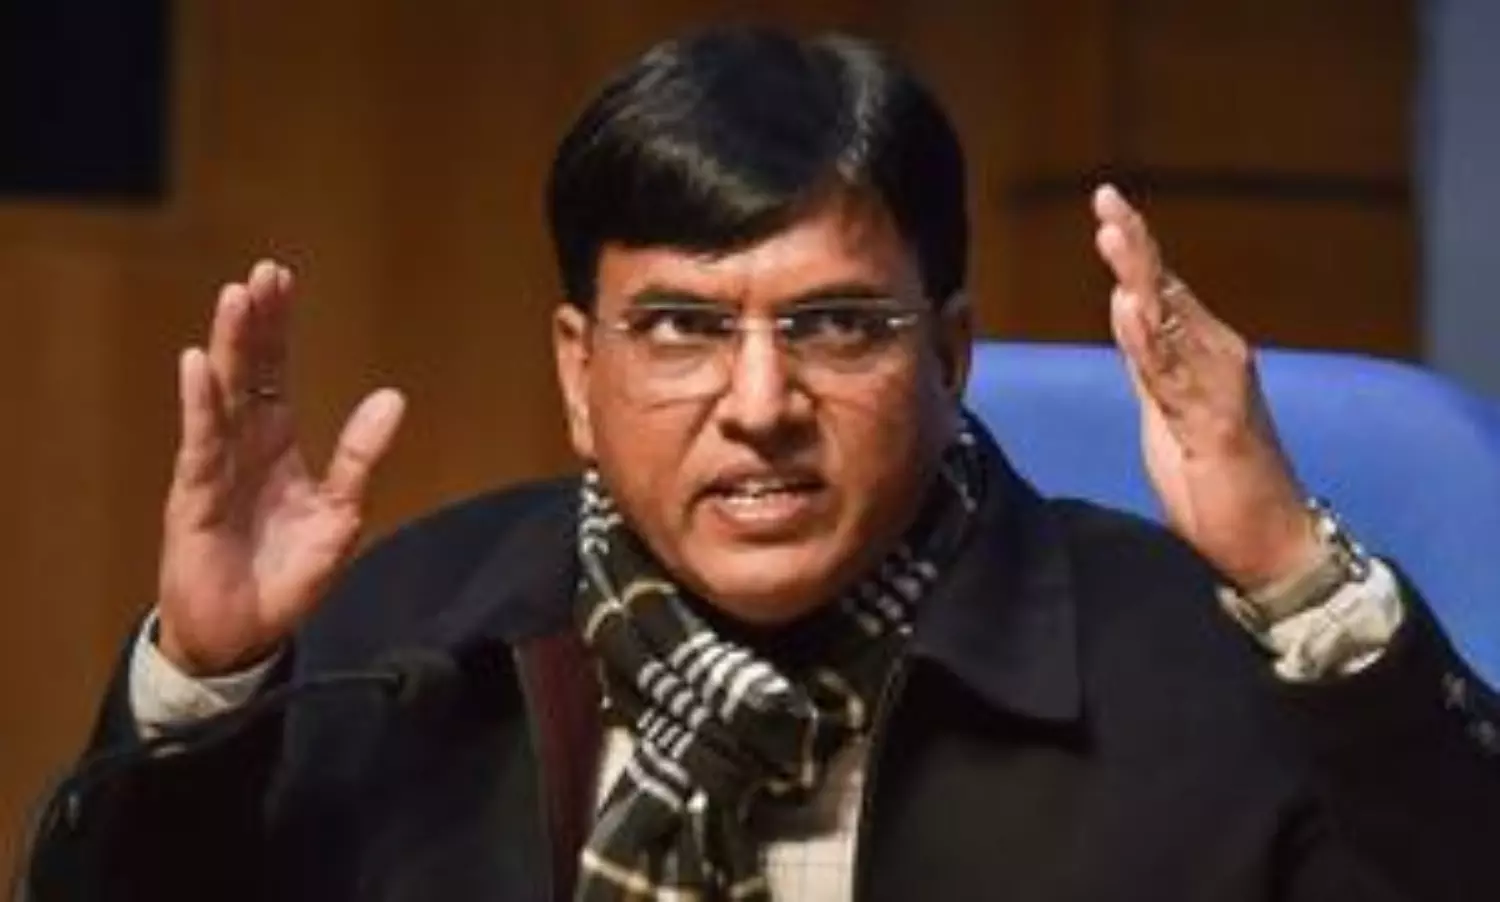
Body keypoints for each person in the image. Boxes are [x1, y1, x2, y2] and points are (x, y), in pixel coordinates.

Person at [23, 25, 1500, 902]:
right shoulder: (408, 642)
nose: (759, 403)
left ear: (952, 353)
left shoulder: (1187, 663)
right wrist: (206, 685)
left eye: (835, 325)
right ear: (578, 372)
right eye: (679, 327)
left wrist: (1300, 579)